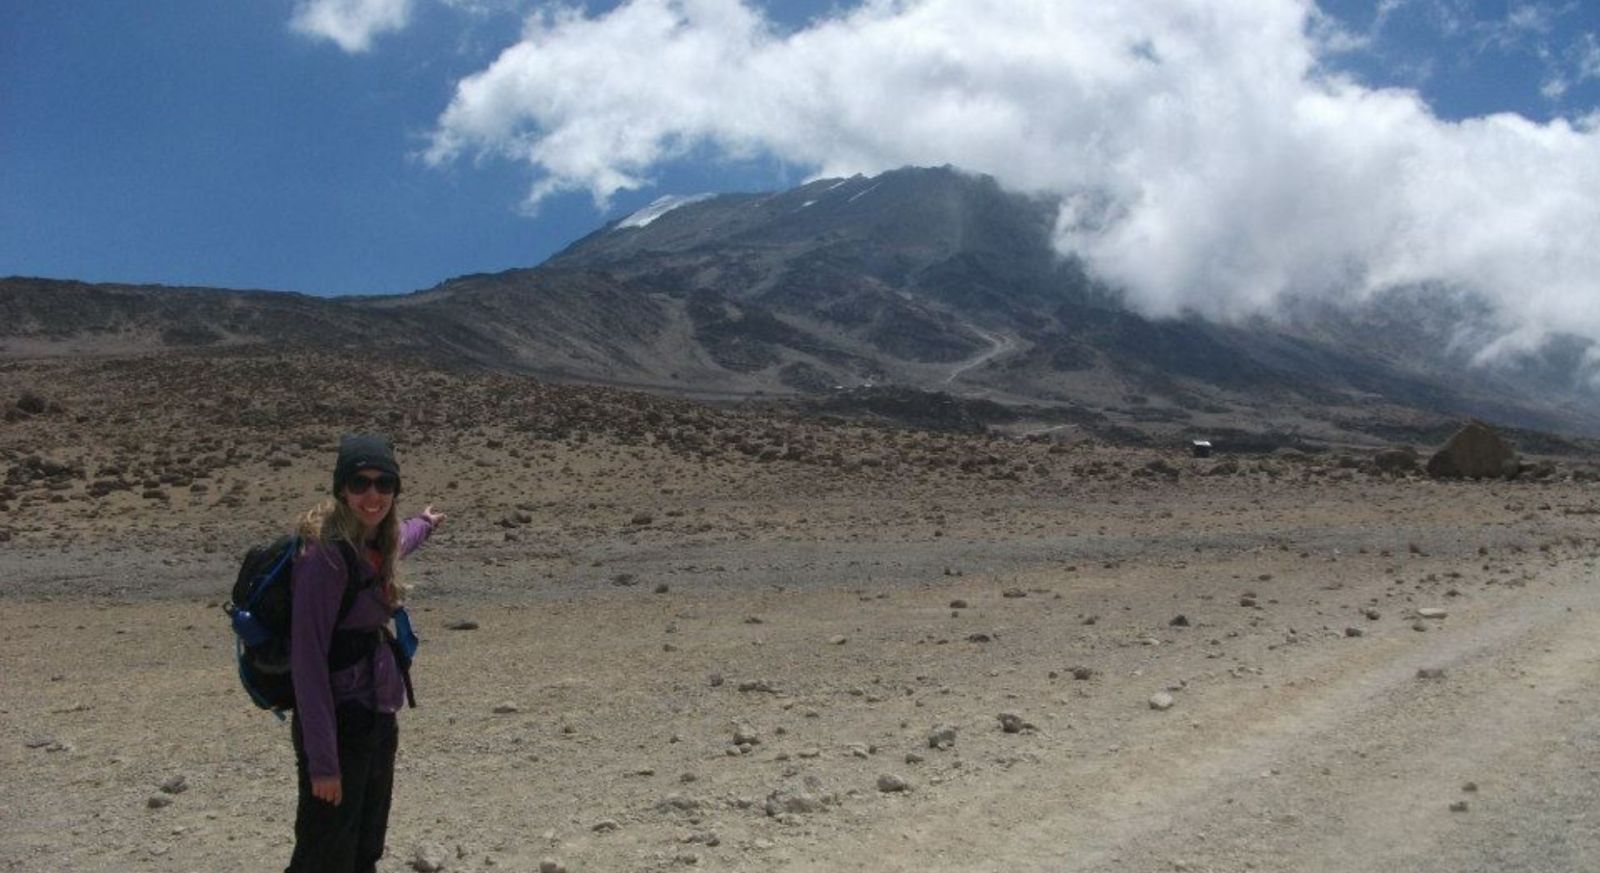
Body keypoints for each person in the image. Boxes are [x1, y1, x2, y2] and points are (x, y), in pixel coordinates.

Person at [285, 433, 445, 873]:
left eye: (384, 484)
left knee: (365, 848)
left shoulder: (378, 541)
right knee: (323, 855)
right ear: (342, 488)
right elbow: (308, 665)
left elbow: (403, 539)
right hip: (338, 724)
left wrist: (425, 522)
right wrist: (323, 764)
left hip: (377, 710)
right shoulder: (325, 559)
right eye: (360, 483)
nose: (372, 495)